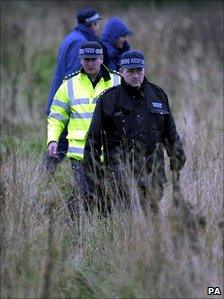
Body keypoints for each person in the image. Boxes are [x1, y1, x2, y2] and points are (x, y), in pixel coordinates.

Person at [83, 50, 186, 213]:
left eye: (139, 70)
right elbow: (93, 141)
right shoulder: (108, 100)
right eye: (131, 71)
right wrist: (97, 176)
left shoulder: (158, 95)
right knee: (125, 224)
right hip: (119, 177)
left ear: (145, 70)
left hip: (153, 176)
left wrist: (178, 157)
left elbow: (170, 132)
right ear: (121, 71)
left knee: (149, 223)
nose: (136, 75)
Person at [47, 41, 121, 216]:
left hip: (110, 153)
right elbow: (56, 116)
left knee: (108, 198)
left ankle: (106, 235)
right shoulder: (68, 85)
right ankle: (76, 231)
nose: (89, 63)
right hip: (80, 154)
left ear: (101, 58)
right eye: (86, 59)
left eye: (93, 59)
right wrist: (53, 139)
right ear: (80, 60)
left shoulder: (117, 81)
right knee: (84, 196)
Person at [44, 8, 102, 172]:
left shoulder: (71, 37)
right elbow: (74, 75)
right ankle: (43, 181)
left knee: (58, 148)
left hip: (60, 101)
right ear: (91, 25)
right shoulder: (80, 43)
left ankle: (42, 181)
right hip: (68, 106)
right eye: (96, 24)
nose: (98, 28)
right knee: (61, 148)